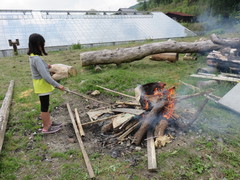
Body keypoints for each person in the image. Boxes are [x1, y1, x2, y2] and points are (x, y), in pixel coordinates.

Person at [28, 33, 65, 134]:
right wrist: (57, 85)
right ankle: (46, 127)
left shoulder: (33, 56)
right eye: (41, 45)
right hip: (42, 85)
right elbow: (45, 76)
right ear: (37, 45)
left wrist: (45, 66)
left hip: (40, 85)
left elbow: (39, 68)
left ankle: (49, 123)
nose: (42, 47)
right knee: (44, 107)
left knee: (46, 105)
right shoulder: (36, 59)